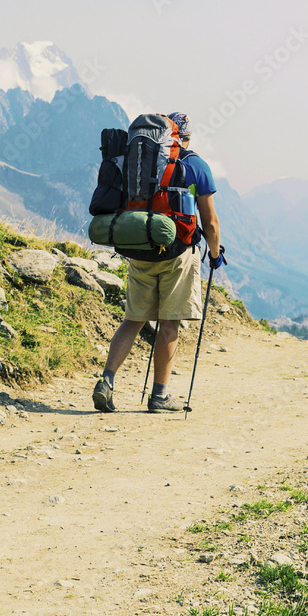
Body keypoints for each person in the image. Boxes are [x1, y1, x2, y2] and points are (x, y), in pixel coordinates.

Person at [92, 112, 223, 413]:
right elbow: (211, 222)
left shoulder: (137, 160)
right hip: (177, 253)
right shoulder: (194, 165)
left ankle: (107, 381)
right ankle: (160, 396)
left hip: (139, 248)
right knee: (169, 323)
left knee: (133, 319)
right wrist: (214, 255)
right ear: (185, 135)